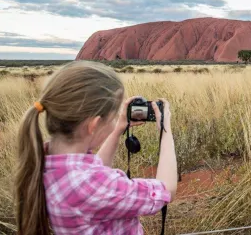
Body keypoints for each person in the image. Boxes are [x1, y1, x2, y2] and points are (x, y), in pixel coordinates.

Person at [14, 60, 177, 234]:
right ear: (93, 125)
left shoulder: (46, 164)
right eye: (113, 116)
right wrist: (165, 128)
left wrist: (118, 128)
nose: (115, 120)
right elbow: (166, 189)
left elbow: (94, 171)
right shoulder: (91, 185)